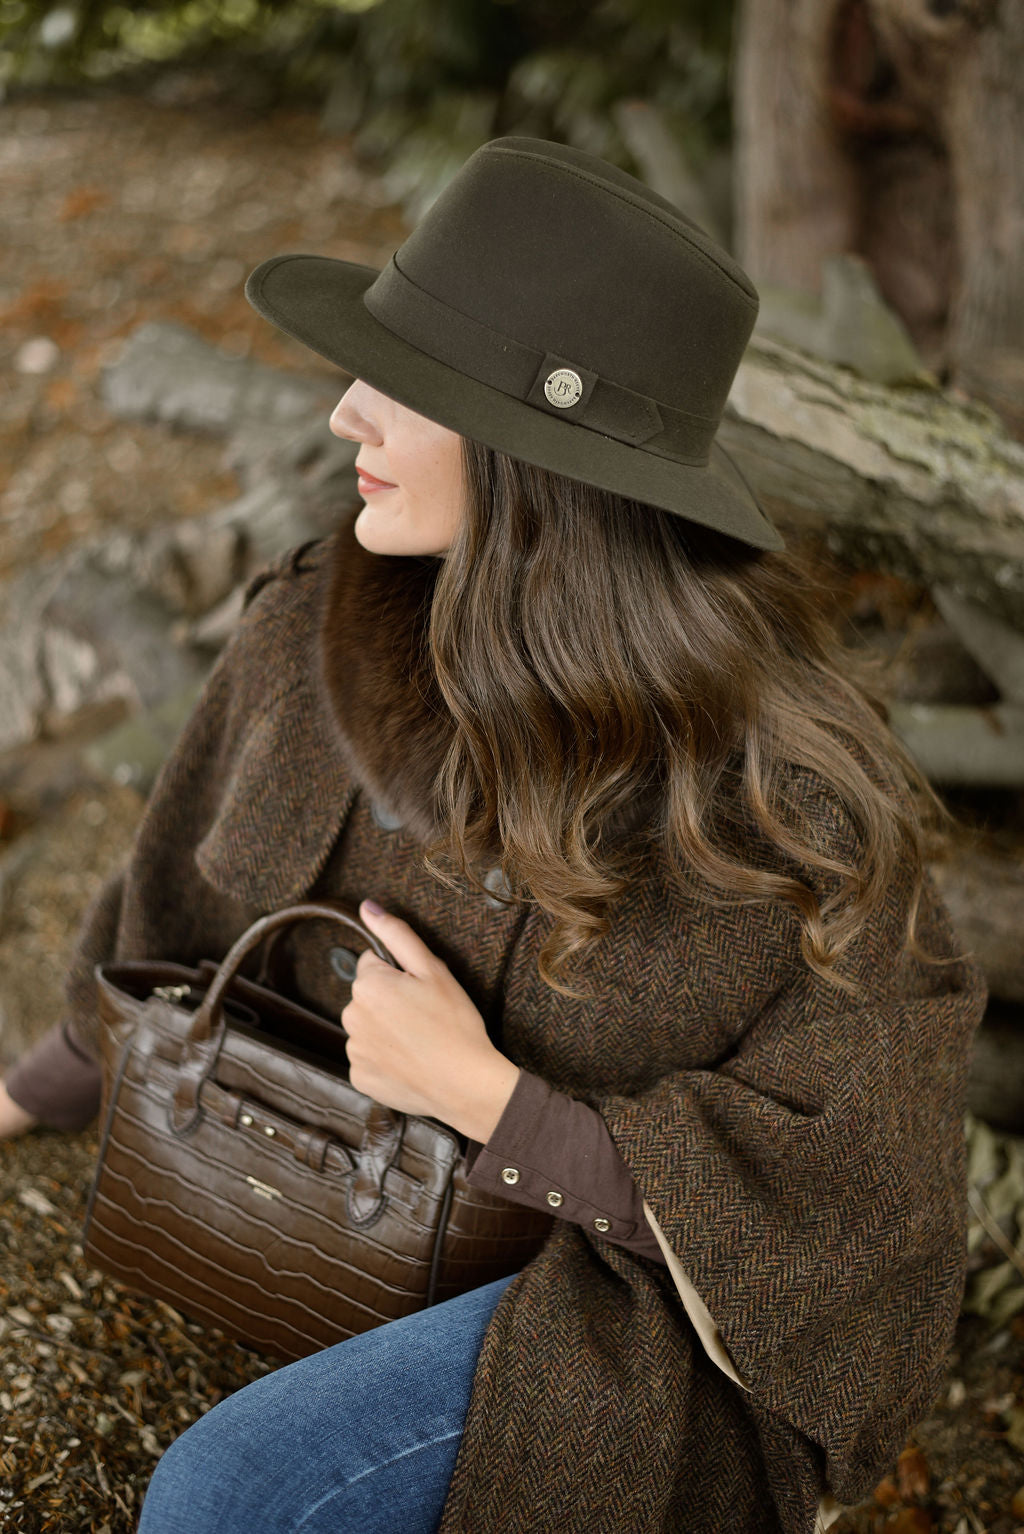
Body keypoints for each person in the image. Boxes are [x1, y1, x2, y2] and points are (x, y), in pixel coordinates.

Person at [1, 137, 984, 1534]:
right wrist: (37, 1087)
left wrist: (494, 1103)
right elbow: (173, 898)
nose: (343, 411)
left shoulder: (785, 810)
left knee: (225, 1492)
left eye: (405, 383)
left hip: (600, 1303)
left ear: (542, 460)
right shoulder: (308, 631)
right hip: (310, 1206)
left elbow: (854, 1216)